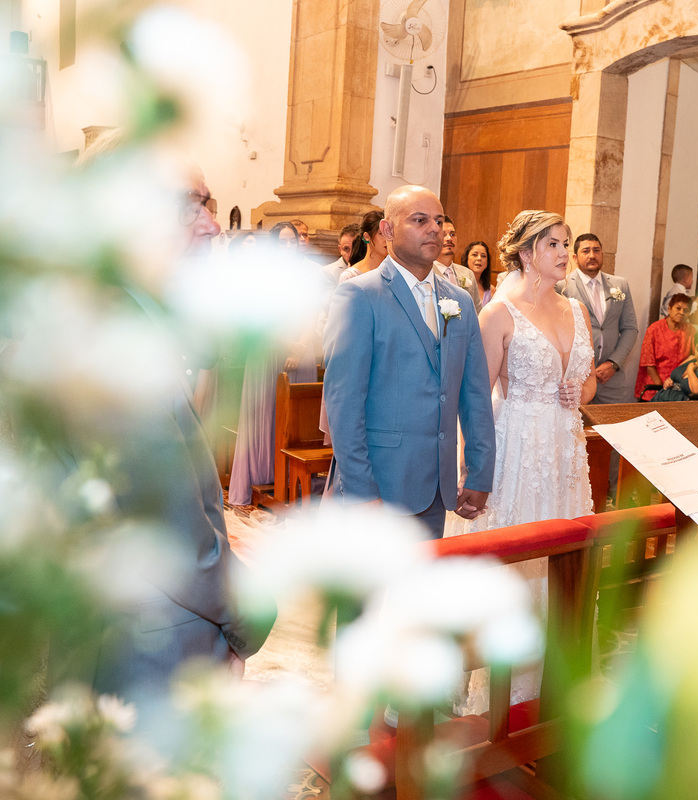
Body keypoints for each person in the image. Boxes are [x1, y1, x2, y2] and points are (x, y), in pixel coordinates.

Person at [58, 135, 269, 697]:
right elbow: (168, 526)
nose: (211, 225)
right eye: (187, 205)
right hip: (143, 639)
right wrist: (248, 615)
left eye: (207, 203)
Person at [323, 185, 495, 539]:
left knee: (418, 592)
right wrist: (360, 492)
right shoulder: (359, 295)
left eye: (439, 221)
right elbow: (344, 402)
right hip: (379, 485)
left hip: (436, 487)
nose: (435, 229)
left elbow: (475, 394)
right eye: (420, 220)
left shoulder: (459, 300)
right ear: (387, 231)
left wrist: (479, 472)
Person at [471, 210, 595, 531]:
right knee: (518, 535)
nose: (565, 253)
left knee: (563, 536)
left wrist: (579, 392)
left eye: (565, 244)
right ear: (526, 254)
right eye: (552, 244)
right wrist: (470, 466)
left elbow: (590, 380)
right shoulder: (498, 314)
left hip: (565, 443)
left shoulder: (578, 310)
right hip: (518, 444)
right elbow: (478, 398)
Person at [227, 222, 318, 505]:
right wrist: (288, 344)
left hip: (303, 350)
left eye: (293, 241)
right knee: (265, 411)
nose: (289, 247)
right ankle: (262, 476)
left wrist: (301, 344)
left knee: (296, 418)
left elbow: (314, 311)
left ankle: (293, 480)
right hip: (268, 351)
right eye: (283, 242)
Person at [557, 233, 639, 404]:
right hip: (576, 379)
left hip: (611, 378)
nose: (592, 255)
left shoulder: (620, 285)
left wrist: (614, 363)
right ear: (575, 257)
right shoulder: (561, 286)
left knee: (612, 428)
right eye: (586, 251)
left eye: (596, 250)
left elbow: (630, 328)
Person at [635, 293, 694, 401]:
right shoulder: (654, 329)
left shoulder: (690, 330)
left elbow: (694, 357)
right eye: (678, 308)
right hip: (654, 387)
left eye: (686, 310)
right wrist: (662, 387)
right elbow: (648, 363)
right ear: (669, 309)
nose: (681, 313)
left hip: (679, 389)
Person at [652, 331, 698, 401]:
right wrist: (668, 381)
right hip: (662, 396)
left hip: (680, 403)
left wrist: (690, 370)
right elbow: (674, 376)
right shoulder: (692, 358)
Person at [433, 216, 481, 314]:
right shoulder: (426, 272)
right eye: (443, 234)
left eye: (452, 234)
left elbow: (477, 311)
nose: (449, 238)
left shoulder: (468, 274)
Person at [338, 209, 386, 282]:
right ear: (367, 236)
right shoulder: (351, 276)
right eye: (381, 234)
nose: (387, 239)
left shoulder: (394, 273)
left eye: (389, 233)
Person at [462, 240, 493, 308]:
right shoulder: (458, 283)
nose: (479, 258)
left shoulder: (492, 291)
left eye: (483, 256)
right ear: (466, 258)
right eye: (475, 255)